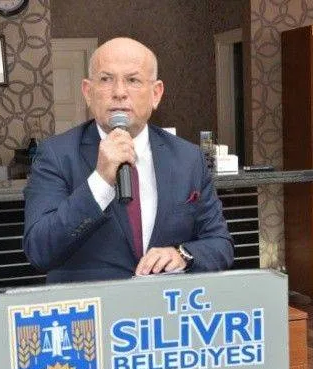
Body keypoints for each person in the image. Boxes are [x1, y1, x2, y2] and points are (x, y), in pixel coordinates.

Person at [23, 37, 233, 283]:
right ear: (88, 92)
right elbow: (39, 251)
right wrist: (100, 181)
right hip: (92, 305)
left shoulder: (188, 158)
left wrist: (183, 255)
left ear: (156, 94)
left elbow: (220, 244)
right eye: (106, 79)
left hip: (161, 304)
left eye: (133, 80)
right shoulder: (55, 155)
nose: (119, 93)